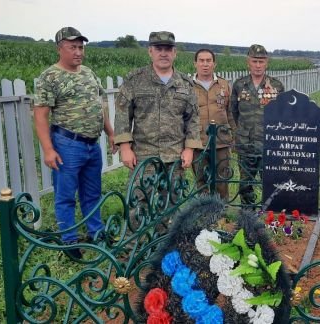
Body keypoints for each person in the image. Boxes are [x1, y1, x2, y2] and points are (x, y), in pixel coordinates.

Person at [33, 27, 115, 256]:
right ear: (60, 48)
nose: (78, 52)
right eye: (73, 47)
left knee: (92, 192)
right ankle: (69, 240)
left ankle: (96, 232)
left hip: (92, 144)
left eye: (81, 47)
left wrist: (110, 132)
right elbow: (40, 115)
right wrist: (48, 150)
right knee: (66, 194)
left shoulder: (88, 72)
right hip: (67, 144)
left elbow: (100, 106)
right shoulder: (50, 76)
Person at [114, 31, 201, 182]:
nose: (163, 54)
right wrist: (125, 148)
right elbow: (122, 115)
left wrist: (189, 149)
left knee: (172, 202)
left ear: (174, 53)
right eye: (158, 49)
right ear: (150, 51)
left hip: (175, 156)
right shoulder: (135, 80)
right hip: (143, 156)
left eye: (168, 49)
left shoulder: (185, 83)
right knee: (140, 201)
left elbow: (193, 118)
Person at [230, 44, 285, 208]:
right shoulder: (239, 85)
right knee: (246, 182)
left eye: (261, 61)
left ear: (266, 62)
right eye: (255, 61)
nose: (258, 65)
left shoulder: (276, 86)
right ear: (249, 62)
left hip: (269, 143)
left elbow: (283, 114)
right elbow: (233, 112)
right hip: (245, 143)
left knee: (271, 181)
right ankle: (248, 213)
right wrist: (238, 134)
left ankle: (271, 214)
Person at [190, 49, 235, 199]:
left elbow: (230, 112)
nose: (205, 64)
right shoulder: (188, 86)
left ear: (214, 64)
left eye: (208, 61)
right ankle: (203, 213)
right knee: (201, 179)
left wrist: (234, 135)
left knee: (222, 177)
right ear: (195, 63)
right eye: (201, 61)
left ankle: (221, 211)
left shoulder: (223, 85)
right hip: (198, 141)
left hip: (221, 140)